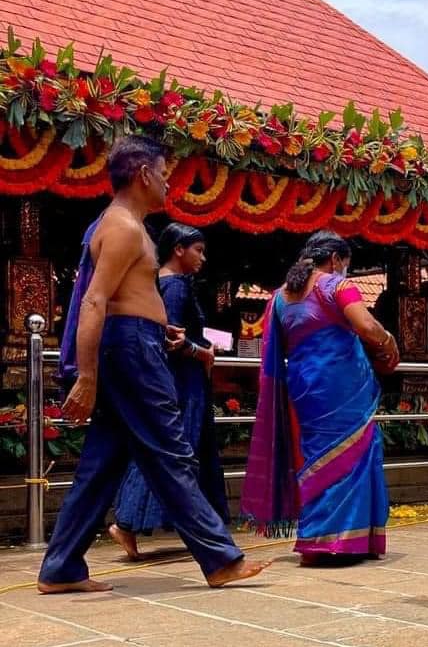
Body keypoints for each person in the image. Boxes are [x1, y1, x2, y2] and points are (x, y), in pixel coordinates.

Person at [38, 136, 268, 593]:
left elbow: (121, 299)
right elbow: (94, 301)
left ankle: (60, 567)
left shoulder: (128, 225)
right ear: (143, 173)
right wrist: (86, 375)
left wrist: (158, 328)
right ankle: (220, 558)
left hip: (137, 342)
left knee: (103, 462)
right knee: (171, 450)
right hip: (129, 351)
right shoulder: (122, 227)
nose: (168, 182)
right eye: (164, 172)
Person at [242, 230, 398, 563]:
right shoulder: (336, 286)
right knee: (354, 453)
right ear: (335, 260)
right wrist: (388, 341)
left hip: (304, 387)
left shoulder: (280, 297)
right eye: (346, 263)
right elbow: (366, 326)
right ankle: (344, 542)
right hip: (341, 386)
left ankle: (317, 538)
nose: (346, 270)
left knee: (316, 457)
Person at [109, 224, 229, 560]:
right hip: (181, 381)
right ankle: (127, 522)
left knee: (179, 452)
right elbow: (169, 337)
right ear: (179, 249)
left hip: (175, 379)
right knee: (173, 453)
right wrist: (201, 351)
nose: (202, 258)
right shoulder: (174, 286)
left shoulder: (160, 284)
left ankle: (203, 529)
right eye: (198, 250)